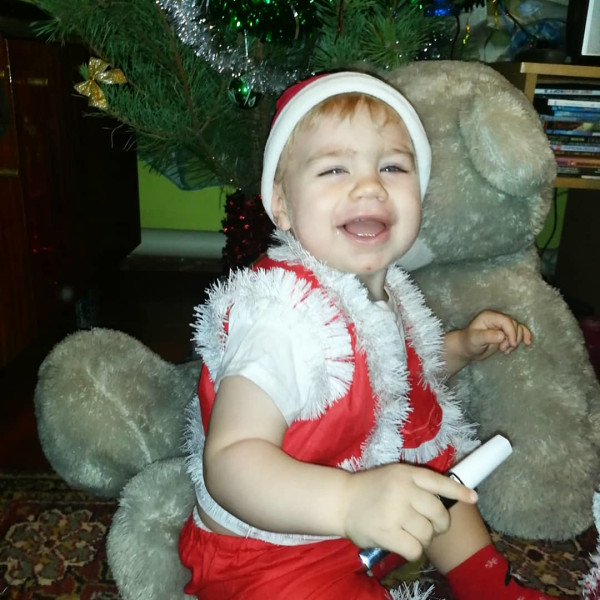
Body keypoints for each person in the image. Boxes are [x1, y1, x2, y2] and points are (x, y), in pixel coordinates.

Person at [179, 71, 549, 600]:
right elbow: (232, 460)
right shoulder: (281, 317)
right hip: (271, 551)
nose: (371, 186)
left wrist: (460, 347)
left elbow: (394, 377)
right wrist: (347, 503)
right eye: (334, 169)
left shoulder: (384, 291)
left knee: (440, 479)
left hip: (367, 510)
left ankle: (488, 584)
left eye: (392, 167)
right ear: (281, 204)